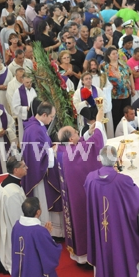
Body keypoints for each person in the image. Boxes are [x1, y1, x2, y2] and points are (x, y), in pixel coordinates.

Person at [84, 145, 139, 277]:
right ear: (117, 159)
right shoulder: (123, 180)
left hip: (100, 225)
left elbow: (88, 196)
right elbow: (136, 197)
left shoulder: (90, 178)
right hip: (118, 227)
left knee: (103, 244)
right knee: (121, 247)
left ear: (100, 159)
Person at [1, 197, 72, 277]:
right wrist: (47, 235)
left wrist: (44, 233)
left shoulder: (17, 226)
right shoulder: (38, 231)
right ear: (38, 212)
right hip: (35, 272)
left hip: (20, 270)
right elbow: (50, 252)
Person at [56, 107, 104, 265]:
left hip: (72, 194)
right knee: (84, 221)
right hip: (80, 196)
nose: (78, 134)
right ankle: (86, 256)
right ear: (70, 139)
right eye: (76, 133)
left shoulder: (63, 150)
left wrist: (88, 133)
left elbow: (82, 143)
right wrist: (98, 124)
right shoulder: (75, 153)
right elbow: (94, 144)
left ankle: (79, 255)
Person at [21, 102, 63, 237]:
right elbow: (38, 156)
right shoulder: (35, 130)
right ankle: (49, 230)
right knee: (44, 201)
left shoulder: (36, 126)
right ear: (43, 115)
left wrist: (51, 147)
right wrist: (53, 150)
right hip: (39, 176)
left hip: (41, 171)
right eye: (51, 117)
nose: (51, 119)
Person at [0, 156, 27, 273]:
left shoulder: (7, 184)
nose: (27, 167)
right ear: (16, 170)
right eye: (23, 166)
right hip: (12, 229)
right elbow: (17, 219)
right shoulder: (12, 193)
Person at [11, 75, 37, 141]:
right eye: (27, 82)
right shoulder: (18, 92)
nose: (29, 84)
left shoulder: (34, 89)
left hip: (35, 116)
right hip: (25, 117)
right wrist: (26, 108)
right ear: (22, 81)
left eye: (31, 82)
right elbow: (15, 107)